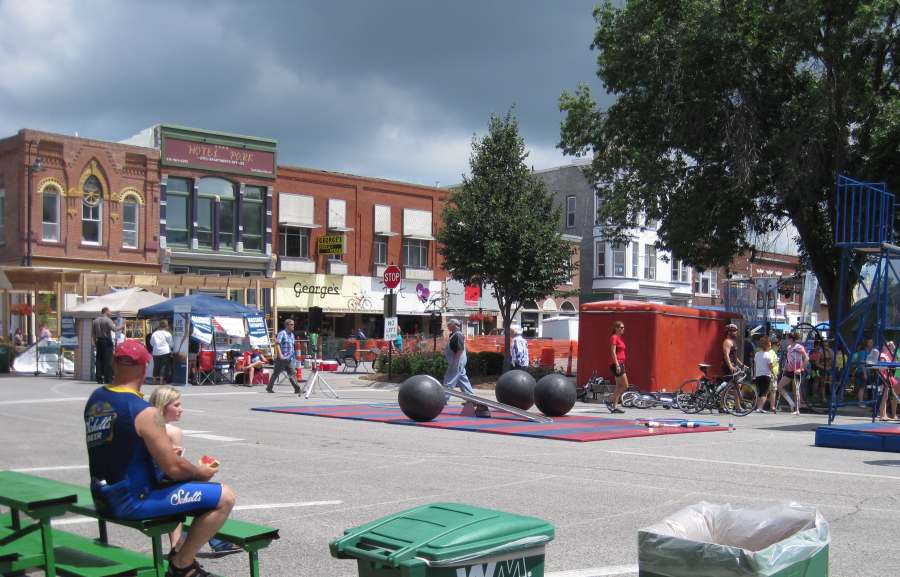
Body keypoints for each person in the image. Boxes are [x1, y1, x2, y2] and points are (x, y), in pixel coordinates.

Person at [84, 340, 235, 577]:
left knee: (181, 491)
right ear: (146, 368)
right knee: (225, 496)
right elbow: (173, 468)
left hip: (103, 497)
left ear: (114, 363)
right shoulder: (144, 412)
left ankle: (180, 551)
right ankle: (182, 564)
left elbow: (119, 447)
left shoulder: (97, 399)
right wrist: (200, 471)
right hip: (134, 501)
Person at [148, 386, 241, 555]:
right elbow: (174, 471)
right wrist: (200, 472)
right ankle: (199, 546)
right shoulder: (173, 432)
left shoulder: (146, 427)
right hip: (160, 493)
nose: (181, 409)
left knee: (187, 493)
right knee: (215, 496)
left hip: (149, 487)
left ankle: (178, 545)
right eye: (176, 405)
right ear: (162, 406)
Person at [443, 318, 487, 416]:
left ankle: (442, 399)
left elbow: (459, 349)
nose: (447, 326)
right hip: (457, 361)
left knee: (449, 380)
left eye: (448, 325)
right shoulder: (454, 335)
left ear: (454, 325)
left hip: (456, 361)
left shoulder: (457, 335)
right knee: (463, 381)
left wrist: (455, 362)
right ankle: (471, 399)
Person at [776, 331, 809, 415]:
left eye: (787, 338)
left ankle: (797, 409)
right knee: (779, 386)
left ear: (791, 339)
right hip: (789, 370)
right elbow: (788, 359)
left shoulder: (799, 347)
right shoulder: (789, 347)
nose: (786, 340)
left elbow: (806, 358)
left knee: (796, 390)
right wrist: (786, 366)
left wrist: (800, 368)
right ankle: (791, 403)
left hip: (797, 371)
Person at [268, 318, 303, 395]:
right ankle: (269, 387)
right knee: (276, 373)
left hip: (289, 358)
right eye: (292, 324)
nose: (293, 326)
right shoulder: (282, 333)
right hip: (282, 358)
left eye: (294, 324)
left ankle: (297, 389)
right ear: (287, 325)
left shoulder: (292, 335)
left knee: (292, 373)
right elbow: (277, 344)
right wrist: (280, 355)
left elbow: (292, 346)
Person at [607, 321, 628, 414]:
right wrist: (617, 364)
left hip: (620, 363)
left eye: (623, 327)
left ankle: (615, 407)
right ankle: (609, 400)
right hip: (617, 364)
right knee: (625, 385)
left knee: (619, 386)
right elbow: (613, 352)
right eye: (621, 327)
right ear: (616, 328)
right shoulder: (614, 337)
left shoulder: (619, 338)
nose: (623, 329)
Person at [92, 307, 117, 385]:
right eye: (110, 312)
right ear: (106, 312)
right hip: (106, 341)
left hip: (99, 340)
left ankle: (99, 378)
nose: (110, 313)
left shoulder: (95, 320)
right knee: (108, 360)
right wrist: (122, 326)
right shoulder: (107, 320)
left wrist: (95, 342)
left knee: (99, 359)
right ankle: (107, 378)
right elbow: (114, 329)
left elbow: (93, 333)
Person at [877, 341, 898, 421]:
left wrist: (893, 347)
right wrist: (889, 366)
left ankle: (884, 414)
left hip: (888, 376)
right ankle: (882, 415)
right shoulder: (882, 355)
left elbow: (895, 359)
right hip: (883, 376)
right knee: (884, 396)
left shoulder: (889, 354)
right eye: (888, 345)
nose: (890, 347)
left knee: (886, 396)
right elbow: (881, 367)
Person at [754, 336, 776, 412]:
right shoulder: (768, 355)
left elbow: (755, 364)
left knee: (759, 392)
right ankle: (760, 408)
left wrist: (754, 374)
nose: (770, 346)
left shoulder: (757, 354)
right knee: (764, 393)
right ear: (766, 345)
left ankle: (758, 407)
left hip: (758, 375)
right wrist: (774, 374)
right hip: (766, 375)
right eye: (769, 345)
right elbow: (770, 366)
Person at [150, 320, 174, 386]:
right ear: (166, 326)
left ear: (159, 325)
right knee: (163, 366)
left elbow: (151, 343)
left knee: (156, 366)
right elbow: (171, 344)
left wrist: (156, 346)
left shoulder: (154, 333)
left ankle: (154, 380)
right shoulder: (168, 334)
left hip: (156, 351)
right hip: (165, 351)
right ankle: (161, 381)